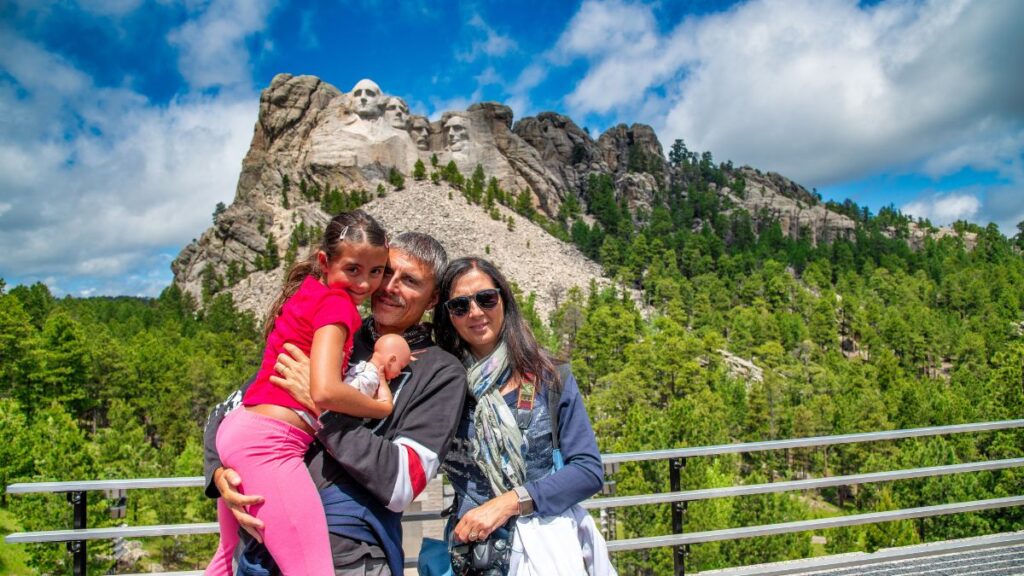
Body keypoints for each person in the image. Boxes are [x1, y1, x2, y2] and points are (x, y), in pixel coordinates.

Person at [203, 231, 467, 575]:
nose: (389, 287)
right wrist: (221, 475)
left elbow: (402, 483)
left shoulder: (441, 373)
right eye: (385, 273)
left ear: (432, 299)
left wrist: (323, 407)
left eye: (410, 281)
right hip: (263, 545)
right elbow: (233, 408)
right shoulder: (334, 330)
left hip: (350, 554)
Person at [207, 210, 393, 576]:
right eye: (353, 269)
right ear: (325, 261)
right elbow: (324, 390)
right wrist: (379, 407)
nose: (365, 284)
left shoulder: (308, 292)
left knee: (222, 565)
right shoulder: (337, 306)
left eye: (376, 272)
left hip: (243, 429)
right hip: (272, 444)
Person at [433, 257, 609, 575]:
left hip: (547, 551)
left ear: (504, 299)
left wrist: (511, 502)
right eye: (460, 305)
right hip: (476, 556)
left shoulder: (551, 378)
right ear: (449, 317)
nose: (475, 311)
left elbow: (588, 470)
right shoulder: (442, 384)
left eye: (486, 298)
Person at [344, 333, 411, 397]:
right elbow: (357, 403)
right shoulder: (371, 379)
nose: (399, 373)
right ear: (391, 360)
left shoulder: (359, 367)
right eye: (401, 367)